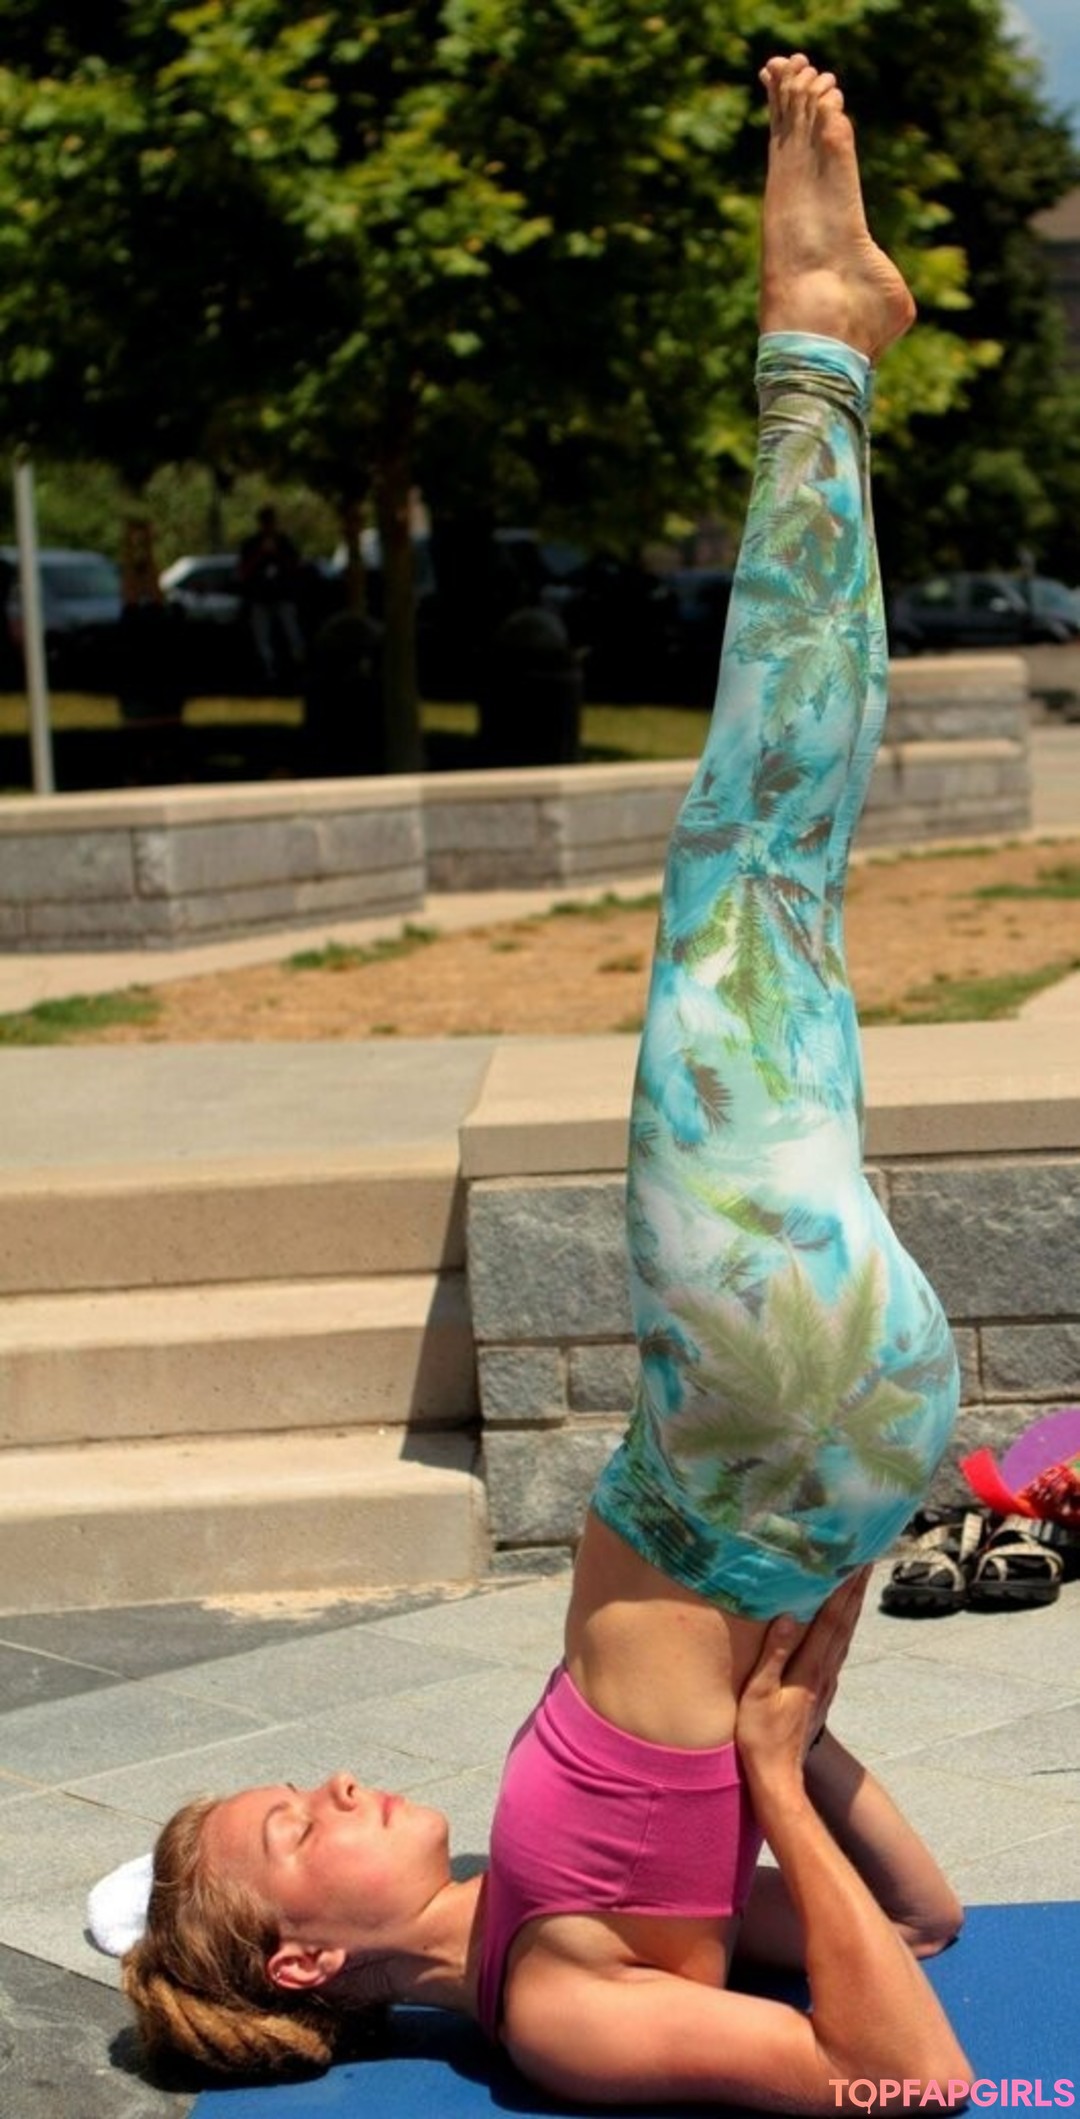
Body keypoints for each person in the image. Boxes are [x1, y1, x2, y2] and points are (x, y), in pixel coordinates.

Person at [111, 57, 971, 2108]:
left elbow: (927, 1909)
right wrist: (773, 1769)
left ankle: (829, 357)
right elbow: (925, 2081)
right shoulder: (559, 2002)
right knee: (747, 869)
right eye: (289, 1822)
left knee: (778, 880)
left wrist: (791, 1761)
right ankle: (815, 352)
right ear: (306, 1951)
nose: (329, 1780)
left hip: (775, 1436)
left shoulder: (538, 1893)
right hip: (756, 1407)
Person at [238, 504, 306, 689]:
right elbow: (244, 572)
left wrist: (277, 554)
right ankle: (268, 672)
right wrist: (261, 554)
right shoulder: (252, 544)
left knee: (292, 634)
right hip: (260, 599)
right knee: (262, 639)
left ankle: (298, 668)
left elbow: (295, 567)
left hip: (283, 597)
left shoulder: (284, 542)